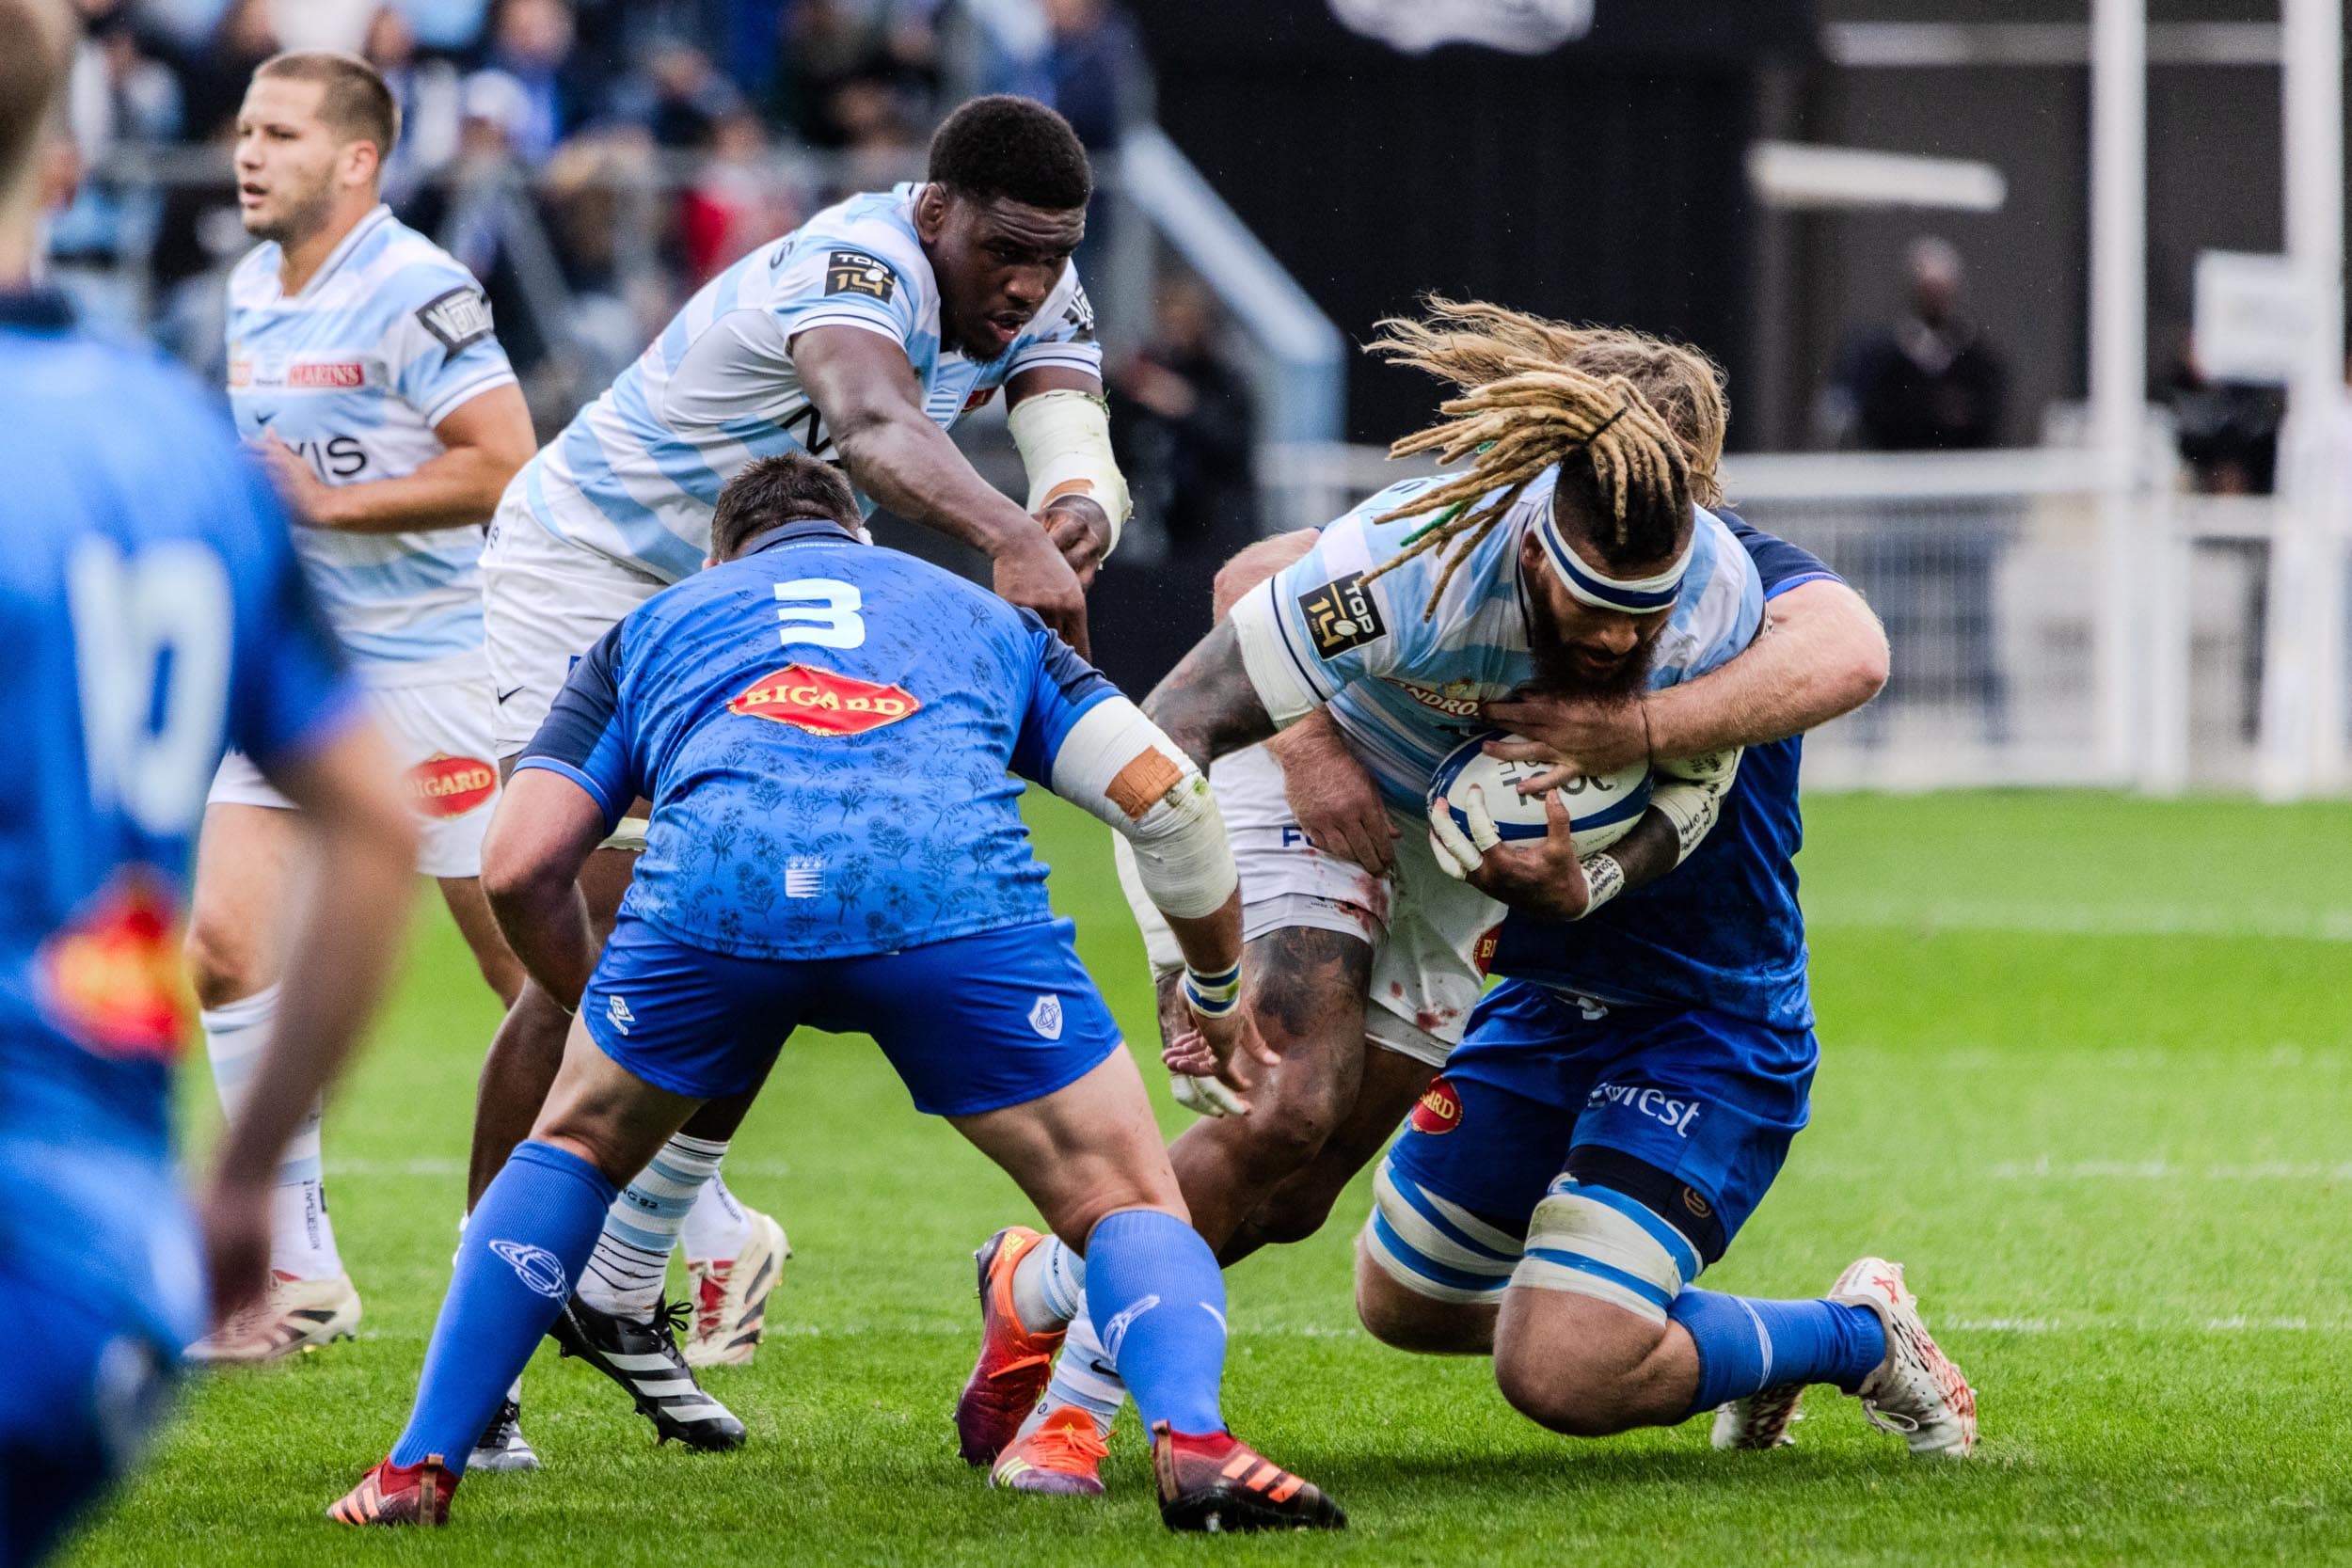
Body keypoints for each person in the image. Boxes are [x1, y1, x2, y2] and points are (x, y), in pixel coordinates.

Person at [326, 453, 1343, 1534]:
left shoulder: (653, 623)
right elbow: (1171, 800)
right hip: (945, 901)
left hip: (717, 904)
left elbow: (519, 864)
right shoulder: (979, 617)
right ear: (858, 537)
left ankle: (417, 1466)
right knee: (1126, 1198)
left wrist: (599, 1004)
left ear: (722, 554)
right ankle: (1193, 1442)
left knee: (571, 1147)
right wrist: (1217, 985)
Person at [958, 301, 1772, 1492]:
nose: (1613, 647)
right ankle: (1072, 1415)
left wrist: (1589, 875)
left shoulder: (1716, 598)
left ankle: (1034, 1285)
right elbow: (1173, 725)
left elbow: (1691, 795)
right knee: (1287, 1100)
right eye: (1590, 615)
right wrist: (1199, 953)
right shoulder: (1419, 556)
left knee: (1298, 1186)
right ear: (1538, 550)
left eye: (1635, 624)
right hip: (1292, 786)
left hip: (1449, 862)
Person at [460, 92, 1128, 1432]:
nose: (1028, 282)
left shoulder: (1039, 297)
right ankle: (492, 1366)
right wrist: (1011, 535)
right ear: (933, 211)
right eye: (1005, 248)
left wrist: (1064, 517)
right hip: (592, 566)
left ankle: (627, 1270)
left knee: (769, 891)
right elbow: (876, 424)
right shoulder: (855, 263)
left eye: (1053, 254)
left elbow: (1085, 466)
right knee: (602, 919)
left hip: (752, 586)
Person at [0, 5, 418, 1558]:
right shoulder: (178, 442)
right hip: (95, 1267)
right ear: (61, 173)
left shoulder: (406, 294)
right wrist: (242, 1188)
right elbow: (368, 830)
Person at [1348, 524, 1978, 1462]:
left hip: (1711, 1020)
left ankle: (1860, 1334)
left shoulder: (1734, 572)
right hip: (1541, 1000)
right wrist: (1309, 739)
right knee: (1402, 1296)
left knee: (1557, 1367)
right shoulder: (1496, 563)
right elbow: (1269, 573)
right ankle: (1729, 1345)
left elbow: (1853, 648)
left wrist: (1636, 728)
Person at [181, 47, 536, 1367]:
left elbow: (506, 461)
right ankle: (291, 1272)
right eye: (243, 129)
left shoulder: (417, 285)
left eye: (278, 132)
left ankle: (702, 1219)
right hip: (304, 667)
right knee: (223, 938)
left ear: (357, 160)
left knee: (530, 974)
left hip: (439, 666)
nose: (248, 152)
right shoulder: (247, 287)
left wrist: (328, 502)